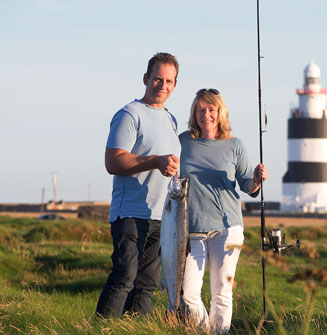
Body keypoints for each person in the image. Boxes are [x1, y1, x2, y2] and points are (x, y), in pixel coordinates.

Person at [95, 52, 181, 318]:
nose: (162, 86)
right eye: (157, 79)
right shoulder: (129, 114)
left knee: (146, 286)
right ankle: (102, 328)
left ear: (174, 85)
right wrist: (155, 161)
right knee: (124, 278)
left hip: (162, 217)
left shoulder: (171, 119)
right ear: (146, 78)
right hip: (130, 213)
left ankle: (137, 328)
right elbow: (114, 162)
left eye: (169, 81)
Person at [179, 88, 267, 333]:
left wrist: (257, 180)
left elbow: (247, 185)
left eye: (211, 109)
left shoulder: (235, 145)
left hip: (228, 228)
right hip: (191, 228)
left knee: (221, 293)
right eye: (200, 109)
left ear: (220, 112)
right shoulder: (183, 141)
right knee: (188, 293)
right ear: (194, 112)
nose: (205, 115)